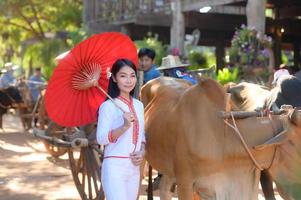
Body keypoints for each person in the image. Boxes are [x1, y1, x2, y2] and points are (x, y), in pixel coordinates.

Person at [96, 58, 145, 200]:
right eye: (123, 76)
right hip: (114, 167)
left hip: (134, 168)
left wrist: (141, 152)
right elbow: (101, 138)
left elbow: (142, 136)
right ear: (115, 79)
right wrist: (124, 126)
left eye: (132, 75)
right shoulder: (108, 106)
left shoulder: (139, 105)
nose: (129, 80)